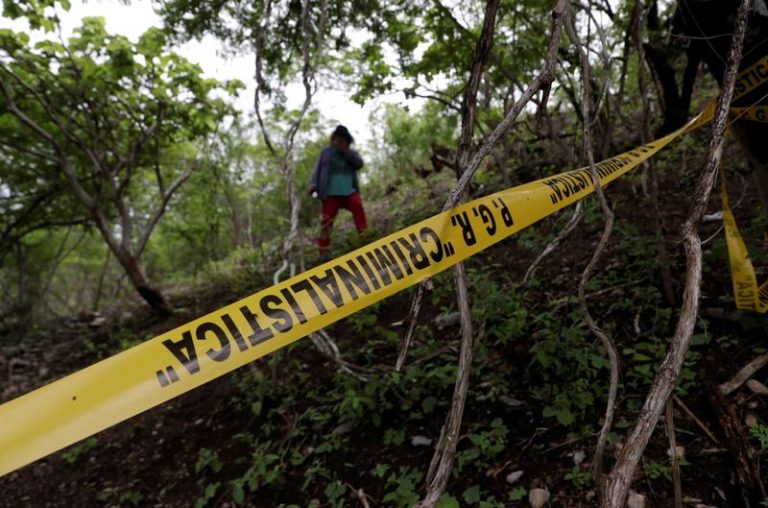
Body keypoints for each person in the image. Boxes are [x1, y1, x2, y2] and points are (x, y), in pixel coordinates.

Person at [310, 125, 367, 252]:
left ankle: (365, 236)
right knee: (326, 220)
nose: (339, 142)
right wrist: (314, 186)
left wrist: (345, 152)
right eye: (337, 139)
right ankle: (323, 249)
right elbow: (318, 169)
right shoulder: (326, 152)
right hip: (331, 193)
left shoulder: (351, 153)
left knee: (357, 205)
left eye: (342, 140)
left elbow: (360, 164)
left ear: (347, 141)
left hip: (349, 190)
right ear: (333, 139)